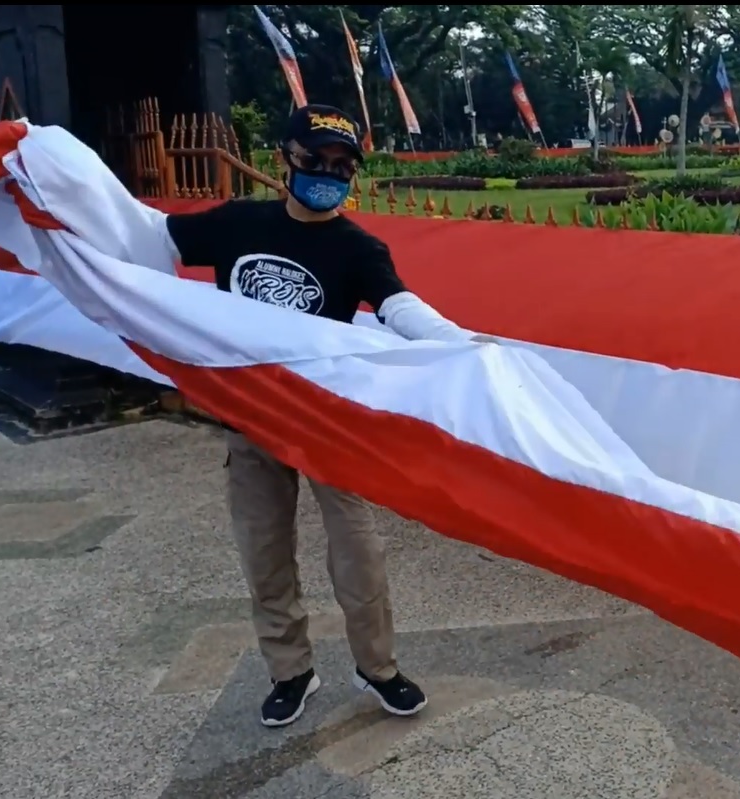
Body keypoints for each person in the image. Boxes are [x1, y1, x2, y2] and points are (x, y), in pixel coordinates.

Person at [154, 104, 492, 727]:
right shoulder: (235, 226)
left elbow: (400, 306)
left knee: (357, 550)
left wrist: (459, 344)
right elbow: (146, 239)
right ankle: (290, 672)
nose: (329, 175)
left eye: (343, 166)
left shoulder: (356, 247)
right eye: (317, 161)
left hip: (329, 425)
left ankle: (379, 668)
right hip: (251, 421)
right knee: (264, 551)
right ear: (286, 157)